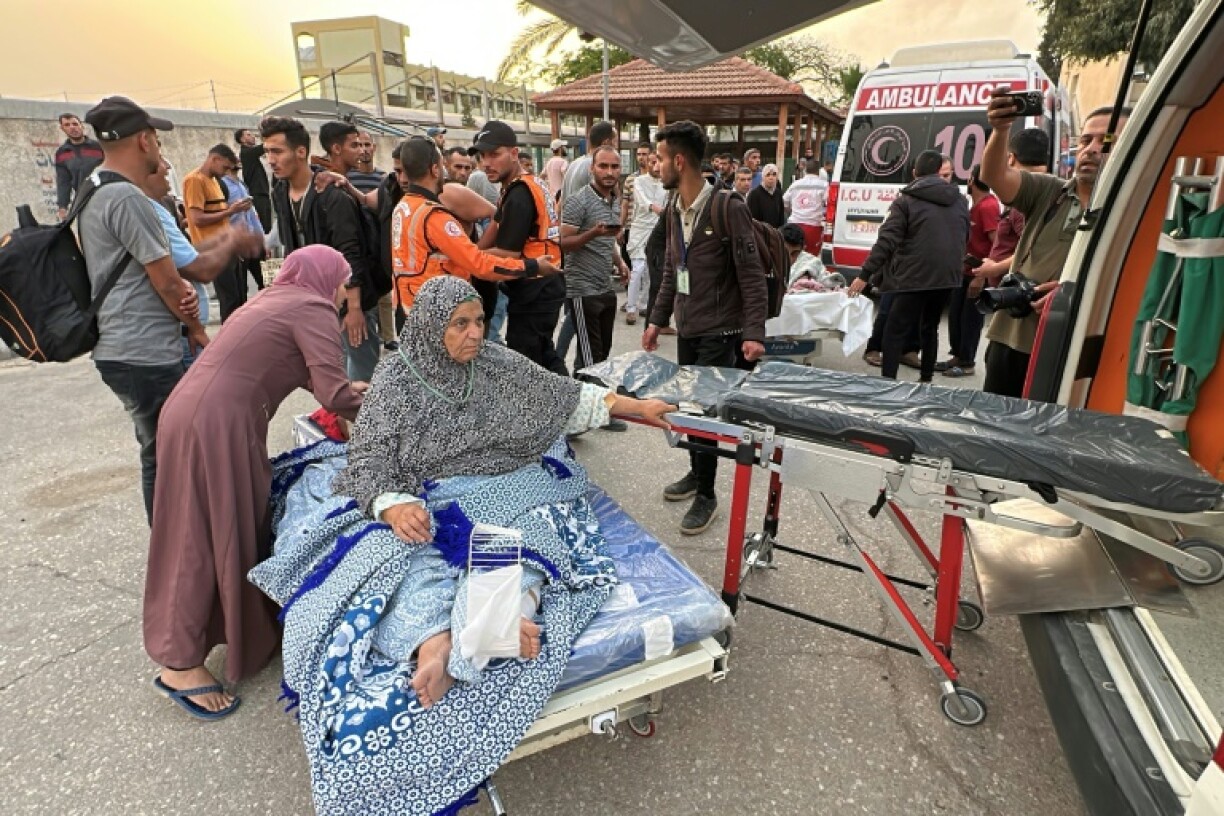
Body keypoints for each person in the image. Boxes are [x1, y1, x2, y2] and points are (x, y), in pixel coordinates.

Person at [332, 275, 674, 708]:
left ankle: (499, 618)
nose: (475, 333)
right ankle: (435, 645)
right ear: (430, 327)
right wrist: (393, 506)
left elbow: (565, 396)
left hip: (504, 482)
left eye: (478, 320)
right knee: (406, 559)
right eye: (459, 324)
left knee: (529, 536)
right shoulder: (395, 379)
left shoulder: (494, 362)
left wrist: (640, 407)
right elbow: (368, 454)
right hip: (431, 495)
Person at [145, 245, 367, 720]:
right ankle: (179, 664)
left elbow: (305, 376)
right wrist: (389, 407)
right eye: (343, 283)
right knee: (206, 535)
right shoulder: (311, 308)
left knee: (201, 527)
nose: (343, 293)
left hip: (192, 412)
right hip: (217, 423)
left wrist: (353, 394)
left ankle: (209, 637)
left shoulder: (274, 298)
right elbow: (332, 391)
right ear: (330, 280)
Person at [78, 97, 203, 523]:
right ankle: (175, 551)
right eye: (156, 142)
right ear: (145, 140)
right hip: (144, 351)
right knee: (168, 456)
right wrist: (194, 323)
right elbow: (167, 279)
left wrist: (177, 292)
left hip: (120, 345)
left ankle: (172, 546)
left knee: (157, 452)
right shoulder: (128, 198)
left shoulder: (92, 188)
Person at [643, 120, 768, 535]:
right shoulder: (677, 208)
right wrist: (656, 321)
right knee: (688, 409)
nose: (656, 166)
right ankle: (697, 473)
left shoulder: (727, 207)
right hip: (689, 328)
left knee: (703, 415)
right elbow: (670, 272)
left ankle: (707, 494)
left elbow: (751, 274)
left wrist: (753, 334)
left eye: (660, 158)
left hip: (721, 332)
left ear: (679, 160)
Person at [980, 92, 1130, 397]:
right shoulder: (1050, 190)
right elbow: (995, 176)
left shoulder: (1134, 209)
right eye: (1086, 140)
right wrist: (1001, 130)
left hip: (1073, 351)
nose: (1091, 149)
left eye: (1105, 141)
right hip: (1012, 338)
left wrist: (1069, 290)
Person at [263, 115, 383, 382]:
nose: (271, 159)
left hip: (350, 301)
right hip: (314, 302)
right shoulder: (280, 193)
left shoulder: (331, 195)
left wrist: (355, 309)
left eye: (277, 151)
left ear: (301, 151)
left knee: (362, 378)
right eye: (267, 152)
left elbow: (351, 255)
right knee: (332, 376)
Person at [390, 137, 559, 324]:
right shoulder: (433, 216)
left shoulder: (403, 207)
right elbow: (479, 264)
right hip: (435, 313)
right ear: (435, 169)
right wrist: (532, 266)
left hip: (408, 307)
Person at [848, 149, 969, 383]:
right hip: (948, 275)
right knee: (930, 326)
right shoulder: (960, 200)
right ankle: (925, 381)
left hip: (914, 275)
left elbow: (886, 241)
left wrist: (864, 275)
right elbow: (964, 236)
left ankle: (888, 384)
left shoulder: (906, 201)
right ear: (938, 172)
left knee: (895, 329)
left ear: (914, 173)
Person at [471, 120, 567, 374]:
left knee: (526, 367)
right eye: (482, 156)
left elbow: (508, 254)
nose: (486, 163)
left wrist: (462, 257)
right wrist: (474, 251)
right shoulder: (523, 185)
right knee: (544, 355)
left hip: (535, 286)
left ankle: (566, 407)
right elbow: (495, 226)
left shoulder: (519, 194)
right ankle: (576, 404)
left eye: (494, 154)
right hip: (543, 284)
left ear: (514, 154)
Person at [559, 145, 631, 411]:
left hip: (604, 285)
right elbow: (563, 243)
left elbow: (608, 240)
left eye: (614, 166)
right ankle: (592, 410)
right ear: (592, 168)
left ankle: (584, 406)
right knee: (590, 358)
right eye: (603, 166)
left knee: (602, 352)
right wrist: (593, 233)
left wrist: (620, 262)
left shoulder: (613, 199)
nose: (609, 172)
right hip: (582, 288)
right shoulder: (579, 200)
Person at [939, 164, 1000, 378]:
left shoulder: (988, 207)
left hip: (976, 274)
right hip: (963, 271)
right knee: (956, 316)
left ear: (972, 180)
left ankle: (967, 362)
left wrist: (981, 277)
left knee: (970, 320)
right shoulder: (975, 205)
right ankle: (957, 354)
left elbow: (996, 244)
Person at [973, 128, 1051, 287]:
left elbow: (1034, 249)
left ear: (1010, 158)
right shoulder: (1049, 189)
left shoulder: (1025, 198)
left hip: (1014, 289)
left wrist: (995, 268)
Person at [183, 144, 252, 322]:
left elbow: (216, 215)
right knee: (229, 299)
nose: (226, 172)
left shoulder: (213, 180)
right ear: (215, 159)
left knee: (238, 297)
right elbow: (197, 218)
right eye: (225, 167)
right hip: (213, 249)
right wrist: (231, 211)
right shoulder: (195, 180)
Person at [626, 150, 665, 325]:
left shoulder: (666, 183)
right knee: (638, 269)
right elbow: (642, 200)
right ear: (647, 164)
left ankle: (643, 304)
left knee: (652, 270)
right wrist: (654, 207)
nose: (656, 166)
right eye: (652, 162)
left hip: (657, 231)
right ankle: (631, 308)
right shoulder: (638, 181)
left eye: (658, 162)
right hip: (640, 230)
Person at [55, 113, 104, 221]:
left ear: (82, 126)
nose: (72, 127)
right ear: (62, 129)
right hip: (84, 201)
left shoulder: (99, 147)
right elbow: (63, 181)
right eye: (67, 125)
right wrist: (62, 206)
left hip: (105, 195)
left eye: (75, 124)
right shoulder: (62, 153)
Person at [561, 120, 618, 205]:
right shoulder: (599, 167)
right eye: (615, 142)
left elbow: (561, 202)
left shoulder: (573, 164)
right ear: (606, 142)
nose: (616, 147)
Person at [783, 158, 828, 254]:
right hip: (813, 226)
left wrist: (793, 210)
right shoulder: (824, 185)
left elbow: (784, 202)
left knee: (793, 255)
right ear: (819, 171)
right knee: (811, 257)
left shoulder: (795, 184)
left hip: (794, 224)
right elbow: (829, 203)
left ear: (805, 170)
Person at [234, 128, 272, 233]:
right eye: (248, 135)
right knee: (263, 228)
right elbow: (264, 146)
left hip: (262, 194)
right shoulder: (246, 153)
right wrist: (270, 134)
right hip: (257, 195)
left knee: (267, 226)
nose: (253, 136)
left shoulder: (251, 154)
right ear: (242, 139)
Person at [746, 163, 786, 228]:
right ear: (763, 177)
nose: (771, 177)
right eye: (768, 175)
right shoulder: (754, 194)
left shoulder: (778, 193)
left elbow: (781, 216)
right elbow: (751, 219)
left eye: (774, 174)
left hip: (775, 233)